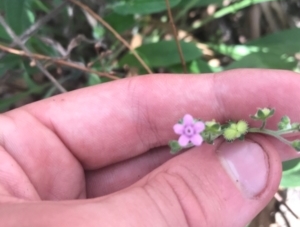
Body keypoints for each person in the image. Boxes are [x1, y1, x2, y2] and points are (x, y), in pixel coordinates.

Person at [0, 69, 299, 227]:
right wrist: (180, 206)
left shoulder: (192, 132)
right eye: (190, 130)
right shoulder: (190, 134)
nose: (192, 131)